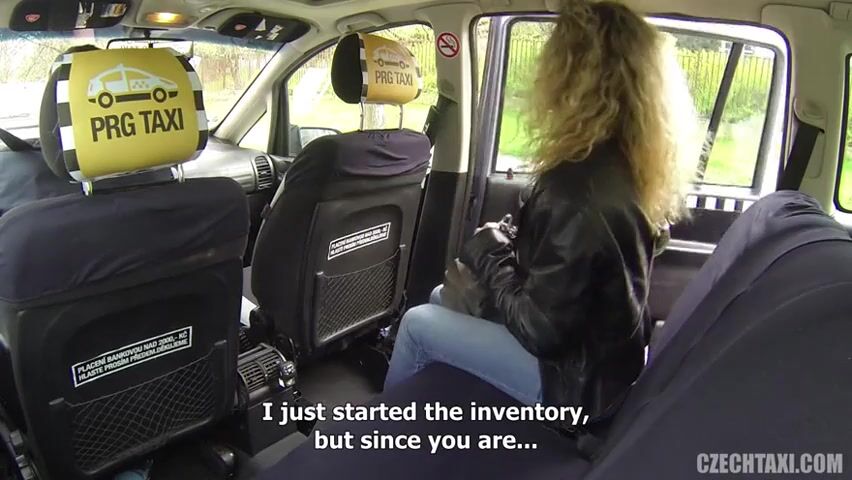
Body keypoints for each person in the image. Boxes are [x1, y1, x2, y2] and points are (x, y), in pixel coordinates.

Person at [384, 0, 699, 427]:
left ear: (571, 78)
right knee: (444, 298)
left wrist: (490, 251)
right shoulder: (624, 167)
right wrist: (516, 247)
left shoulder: (576, 188)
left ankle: (379, 439)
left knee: (417, 324)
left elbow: (541, 332)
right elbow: (573, 280)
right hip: (604, 370)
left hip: (574, 390)